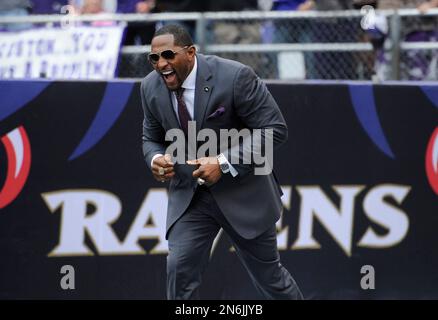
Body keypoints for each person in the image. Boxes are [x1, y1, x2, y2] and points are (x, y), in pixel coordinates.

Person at [140, 24, 303, 300]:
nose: (161, 64)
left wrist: (223, 162)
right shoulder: (150, 87)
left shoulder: (235, 76)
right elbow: (150, 137)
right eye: (154, 58)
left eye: (168, 55)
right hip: (191, 197)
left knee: (271, 281)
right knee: (179, 272)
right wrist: (156, 158)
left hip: (244, 192)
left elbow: (274, 129)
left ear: (190, 53)